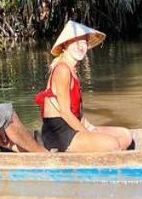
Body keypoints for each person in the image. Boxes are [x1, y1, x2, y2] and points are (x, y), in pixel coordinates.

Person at [34, 20, 133, 152]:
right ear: (65, 45)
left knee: (125, 135)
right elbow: (65, 112)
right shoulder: (62, 69)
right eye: (75, 42)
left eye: (83, 42)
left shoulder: (73, 70)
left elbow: (77, 112)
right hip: (59, 133)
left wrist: (90, 127)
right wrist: (88, 134)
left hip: (72, 126)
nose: (80, 46)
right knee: (112, 145)